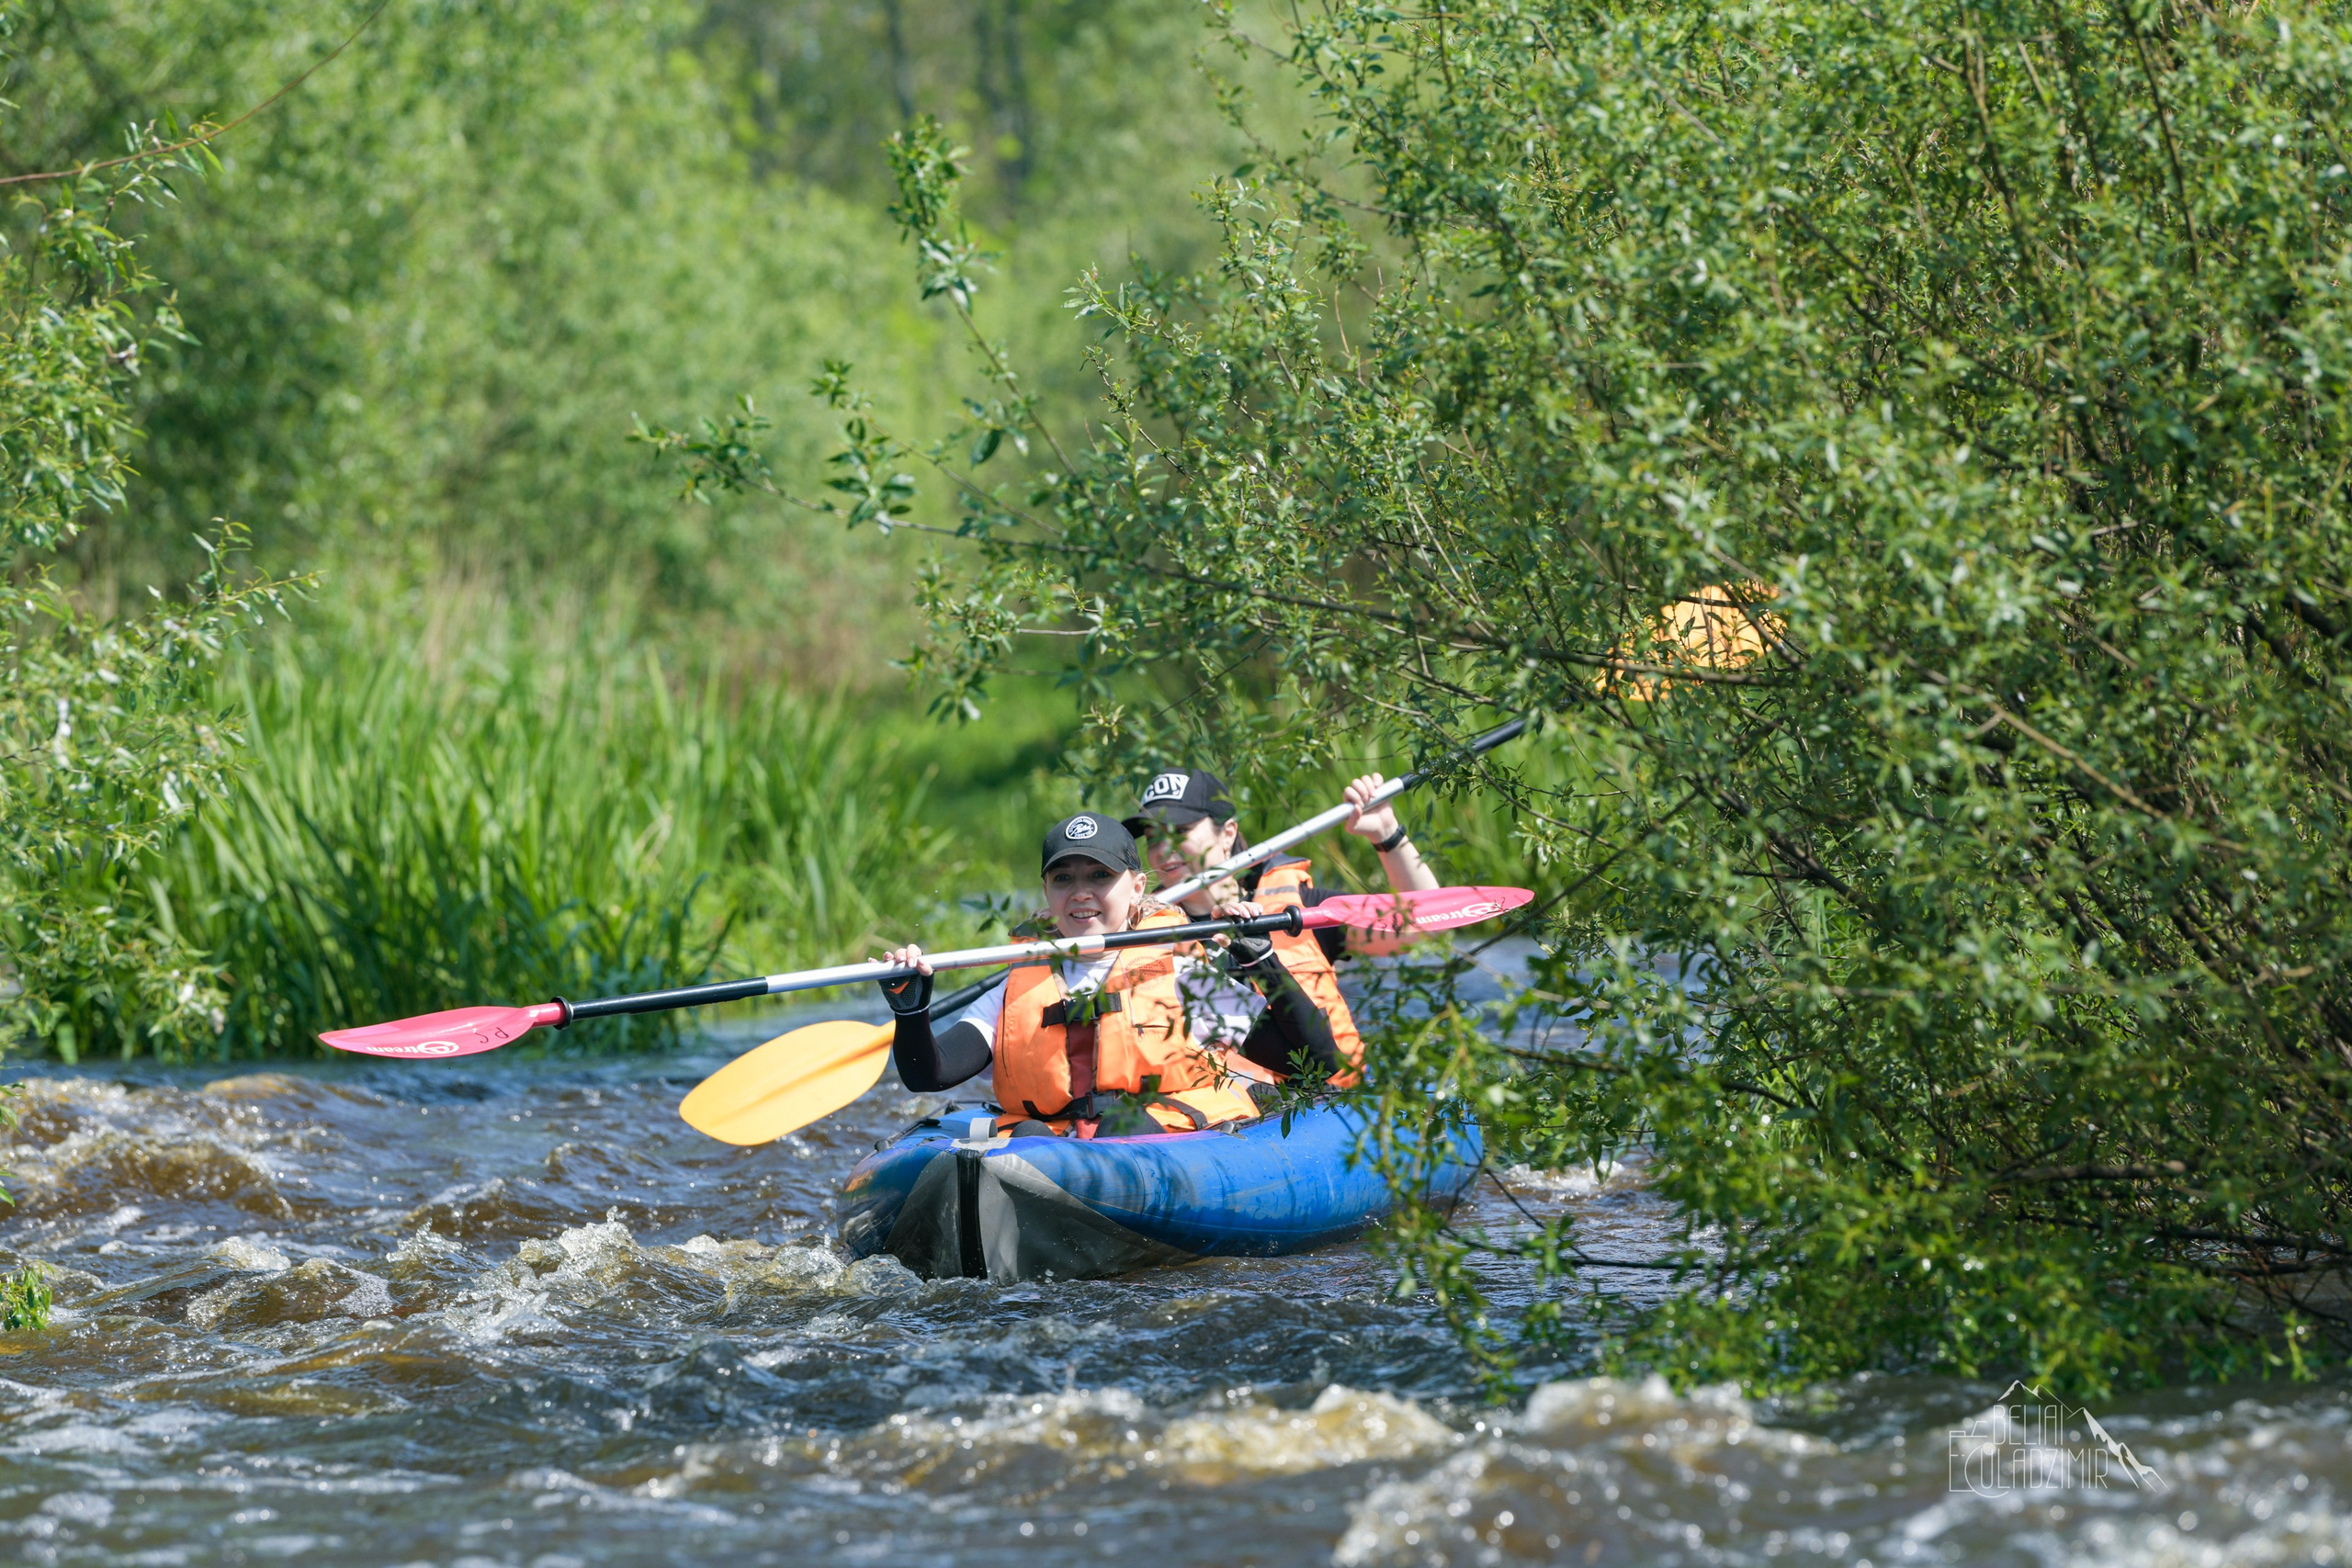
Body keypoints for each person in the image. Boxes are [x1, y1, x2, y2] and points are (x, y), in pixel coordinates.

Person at [875, 813, 1340, 1138]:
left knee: (1125, 1125)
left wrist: (1264, 962)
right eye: (1063, 879)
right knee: (1030, 1135)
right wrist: (911, 1008)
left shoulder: (1181, 974)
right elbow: (929, 1075)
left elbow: (1316, 1065)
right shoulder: (1018, 987)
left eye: (1100, 876)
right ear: (1046, 890)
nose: (1080, 893)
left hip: (1160, 1145)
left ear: (1137, 888)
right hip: (1050, 1155)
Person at [1121, 768, 1438, 1085]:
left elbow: (1421, 928)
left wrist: (1387, 833)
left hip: (1331, 1102)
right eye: (1152, 837)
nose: (1163, 850)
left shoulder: (1297, 906)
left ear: (1228, 833)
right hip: (1234, 1118)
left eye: (1180, 831)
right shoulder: (1141, 931)